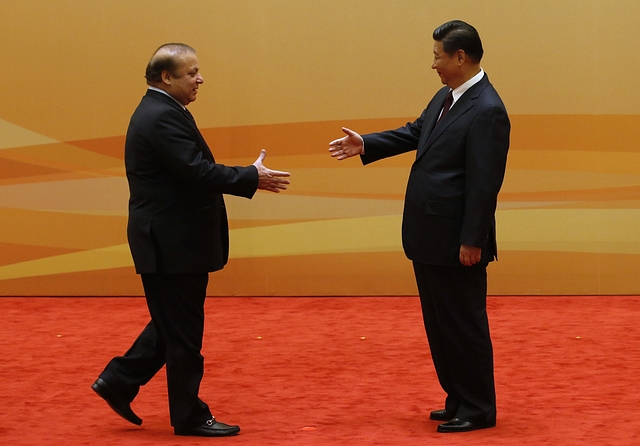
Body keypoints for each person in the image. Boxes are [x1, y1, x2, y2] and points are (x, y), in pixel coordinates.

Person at [92, 43, 290, 438]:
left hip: (174, 242)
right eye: (191, 72)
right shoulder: (161, 116)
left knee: (173, 324)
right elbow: (196, 172)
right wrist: (252, 177)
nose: (200, 79)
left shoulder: (163, 111)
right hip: (171, 244)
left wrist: (247, 175)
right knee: (183, 334)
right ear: (166, 77)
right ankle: (189, 416)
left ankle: (118, 380)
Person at [329, 20, 509, 433]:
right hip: (430, 236)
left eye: (437, 56)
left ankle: (479, 407)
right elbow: (416, 132)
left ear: (460, 57)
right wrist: (367, 143)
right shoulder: (448, 97)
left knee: (463, 324)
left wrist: (472, 240)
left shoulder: (488, 109)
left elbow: (485, 185)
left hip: (457, 242)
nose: (433, 65)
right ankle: (458, 396)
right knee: (441, 324)